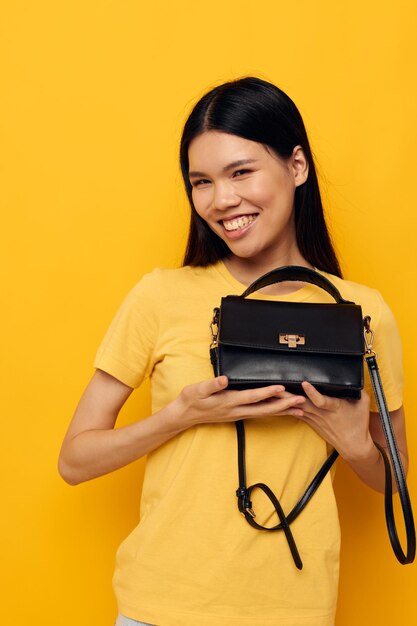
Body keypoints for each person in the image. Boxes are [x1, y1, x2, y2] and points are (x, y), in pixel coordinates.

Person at [58, 76, 408, 626]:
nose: (222, 200)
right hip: (160, 606)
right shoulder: (159, 295)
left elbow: (400, 482)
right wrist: (183, 416)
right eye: (202, 181)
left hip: (293, 611)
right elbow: (74, 460)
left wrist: (356, 447)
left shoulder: (362, 313)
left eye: (241, 172)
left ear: (297, 167)